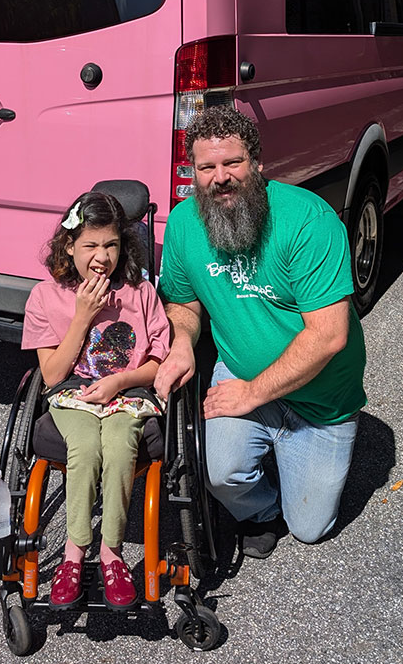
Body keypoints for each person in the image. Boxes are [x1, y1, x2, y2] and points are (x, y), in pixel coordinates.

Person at [155, 105, 366, 558]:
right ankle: (261, 510)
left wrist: (253, 393)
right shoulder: (184, 223)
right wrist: (182, 343)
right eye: (207, 166)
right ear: (194, 170)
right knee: (219, 473)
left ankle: (300, 453)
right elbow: (183, 301)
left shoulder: (307, 219)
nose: (220, 177)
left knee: (311, 527)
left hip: (321, 398)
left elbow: (329, 336)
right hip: (241, 372)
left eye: (233, 163)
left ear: (258, 163)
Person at [22, 191, 170, 609]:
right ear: (69, 246)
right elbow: (51, 375)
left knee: (122, 444)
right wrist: (84, 314)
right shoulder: (46, 297)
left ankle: (112, 554)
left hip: (128, 393)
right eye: (90, 245)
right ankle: (74, 554)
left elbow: (159, 361)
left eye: (111, 244)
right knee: (84, 447)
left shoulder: (140, 294)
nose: (101, 256)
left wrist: (120, 381)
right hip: (72, 395)